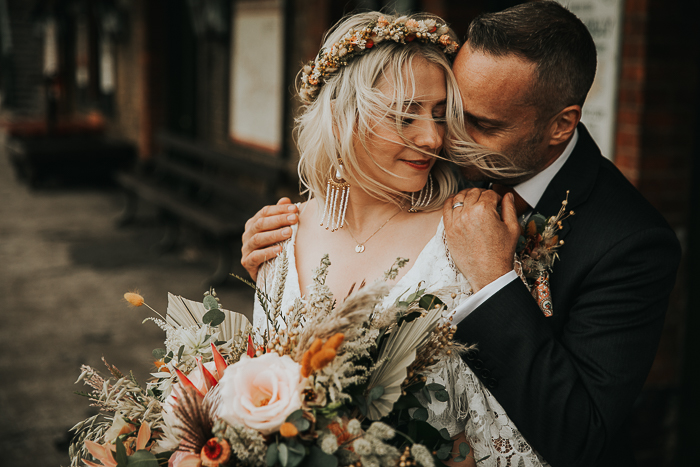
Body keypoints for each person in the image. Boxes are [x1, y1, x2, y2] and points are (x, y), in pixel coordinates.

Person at [242, 3, 682, 467]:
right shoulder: (426, 166)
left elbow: (577, 437)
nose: (442, 140)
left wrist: (494, 280)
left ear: (561, 126)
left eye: (479, 124)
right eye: (452, 112)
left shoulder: (631, 242)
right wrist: (271, 264)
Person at [252, 10, 548, 466]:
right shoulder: (280, 233)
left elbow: (503, 425)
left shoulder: (468, 234)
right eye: (405, 115)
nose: (432, 138)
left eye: (438, 115)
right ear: (342, 115)